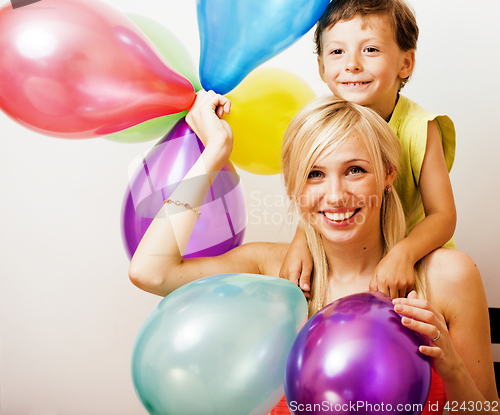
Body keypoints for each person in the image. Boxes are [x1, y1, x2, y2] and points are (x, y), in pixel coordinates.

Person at [129, 92, 498, 414]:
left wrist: (453, 370)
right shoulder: (270, 271)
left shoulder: (448, 277)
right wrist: (214, 153)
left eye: (355, 170)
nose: (335, 196)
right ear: (293, 187)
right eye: (314, 174)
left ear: (388, 175)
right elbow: (151, 272)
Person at [279, 0, 457, 301]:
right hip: (352, 259)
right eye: (337, 51)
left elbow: (442, 215)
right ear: (321, 67)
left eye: (370, 49)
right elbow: (316, 196)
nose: (352, 64)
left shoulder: (420, 127)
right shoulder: (321, 124)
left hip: (412, 258)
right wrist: (300, 241)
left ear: (405, 63)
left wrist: (403, 254)